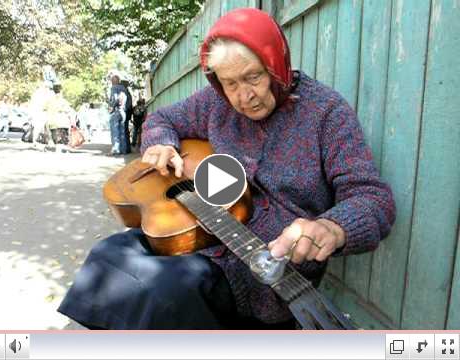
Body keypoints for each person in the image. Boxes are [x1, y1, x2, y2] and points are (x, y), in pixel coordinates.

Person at [59, 8, 396, 329]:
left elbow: (372, 198)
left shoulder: (327, 113)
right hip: (198, 232)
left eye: (253, 77)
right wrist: (161, 143)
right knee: (108, 255)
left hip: (264, 273)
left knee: (164, 291)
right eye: (230, 83)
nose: (243, 96)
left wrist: (332, 228)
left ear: (277, 64)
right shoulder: (215, 102)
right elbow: (162, 118)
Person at [43, 83, 75, 152]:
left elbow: (44, 109)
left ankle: (58, 150)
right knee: (62, 139)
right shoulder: (63, 101)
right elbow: (68, 111)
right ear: (60, 91)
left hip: (52, 122)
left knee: (56, 138)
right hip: (62, 122)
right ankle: (60, 151)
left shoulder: (49, 101)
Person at [107, 75, 128, 155]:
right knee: (122, 131)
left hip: (116, 111)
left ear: (113, 81)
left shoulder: (114, 88)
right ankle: (123, 149)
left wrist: (111, 106)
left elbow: (115, 99)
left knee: (115, 131)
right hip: (123, 112)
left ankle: (116, 149)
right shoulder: (124, 89)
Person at [121, 80, 133, 154]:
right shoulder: (128, 92)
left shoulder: (125, 93)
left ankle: (126, 148)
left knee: (124, 131)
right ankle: (127, 148)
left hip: (125, 113)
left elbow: (127, 105)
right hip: (127, 113)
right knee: (125, 130)